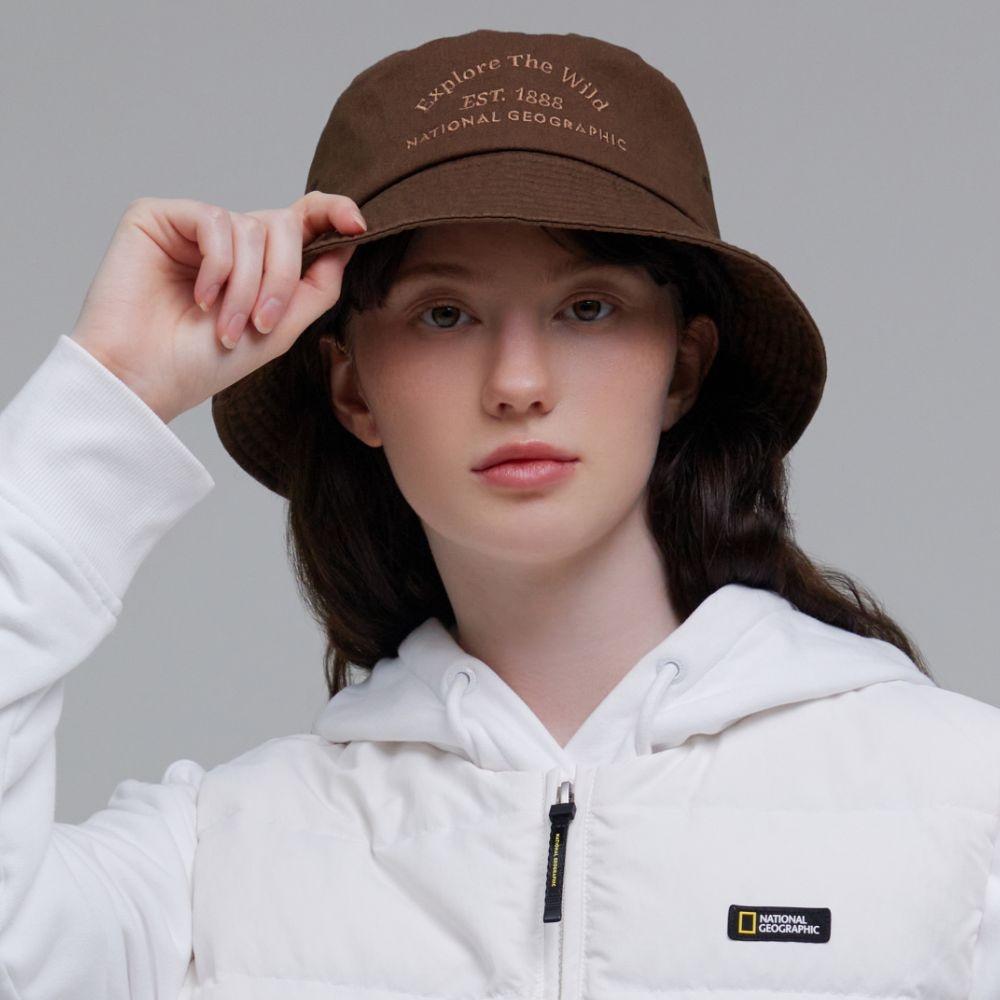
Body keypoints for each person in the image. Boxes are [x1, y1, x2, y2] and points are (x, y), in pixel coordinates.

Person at [2, 26, 999, 1000]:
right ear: (351, 387)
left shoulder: (964, 802)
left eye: (588, 307)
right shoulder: (215, 861)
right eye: (444, 314)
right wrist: (112, 387)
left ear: (683, 367)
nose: (518, 383)